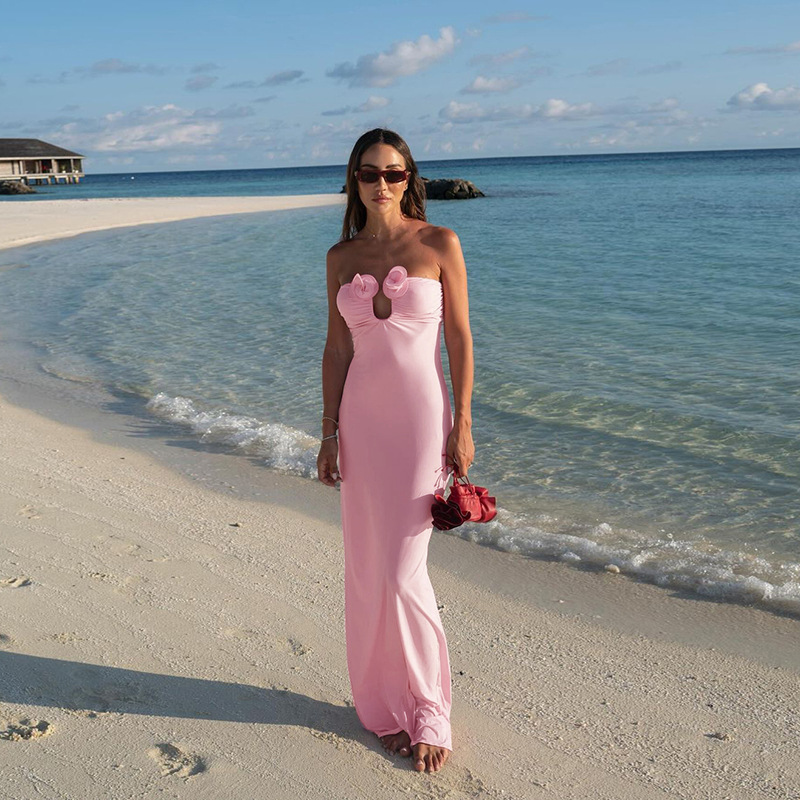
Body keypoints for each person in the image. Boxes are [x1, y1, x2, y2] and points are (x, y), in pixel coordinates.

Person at [317, 128, 474, 774]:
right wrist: (327, 431)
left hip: (418, 421)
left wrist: (462, 422)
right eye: (368, 174)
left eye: (394, 173)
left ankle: (430, 708)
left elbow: (460, 338)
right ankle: (381, 705)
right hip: (360, 422)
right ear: (352, 182)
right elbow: (337, 350)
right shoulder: (339, 255)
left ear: (412, 179)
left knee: (404, 568)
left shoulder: (440, 244)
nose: (381, 185)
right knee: (366, 565)